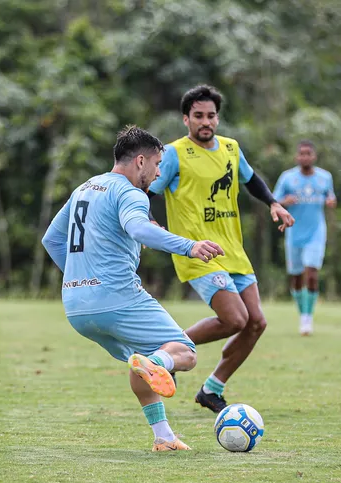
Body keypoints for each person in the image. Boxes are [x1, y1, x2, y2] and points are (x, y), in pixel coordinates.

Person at [42, 125, 225, 451]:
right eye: (156, 165)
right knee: (183, 352)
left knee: (142, 361)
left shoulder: (84, 188)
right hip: (117, 298)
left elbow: (52, 239)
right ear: (140, 161)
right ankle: (157, 365)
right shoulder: (129, 192)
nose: (157, 174)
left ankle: (164, 437)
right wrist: (189, 246)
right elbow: (139, 229)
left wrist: (80, 278)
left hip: (75, 306)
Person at [147, 84, 294, 414]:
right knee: (235, 319)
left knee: (256, 322)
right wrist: (146, 222)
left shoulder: (230, 148)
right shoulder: (173, 154)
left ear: (217, 118)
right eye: (198, 116)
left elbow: (252, 179)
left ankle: (211, 389)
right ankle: (166, 354)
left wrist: (273, 203)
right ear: (186, 119)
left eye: (211, 116)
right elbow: (146, 192)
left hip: (233, 251)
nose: (206, 122)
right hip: (197, 252)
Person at [272, 140, 337, 336]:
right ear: (297, 157)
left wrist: (331, 201)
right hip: (294, 233)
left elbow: (331, 197)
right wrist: (285, 201)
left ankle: (307, 317)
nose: (305, 157)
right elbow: (273, 201)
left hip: (316, 233)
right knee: (297, 277)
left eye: (308, 153)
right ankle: (302, 312)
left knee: (312, 273)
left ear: (314, 156)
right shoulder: (287, 178)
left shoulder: (325, 177)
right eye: (302, 154)